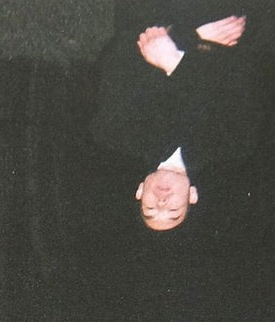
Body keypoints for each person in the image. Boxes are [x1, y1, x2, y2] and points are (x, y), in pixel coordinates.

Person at [90, 2, 260, 231]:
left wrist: (191, 40)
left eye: (150, 209)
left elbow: (120, 54)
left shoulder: (114, 134)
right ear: (192, 196)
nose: (161, 202)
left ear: (140, 192)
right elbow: (242, 73)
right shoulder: (234, 144)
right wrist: (177, 59)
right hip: (219, 14)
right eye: (173, 211)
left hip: (154, 12)